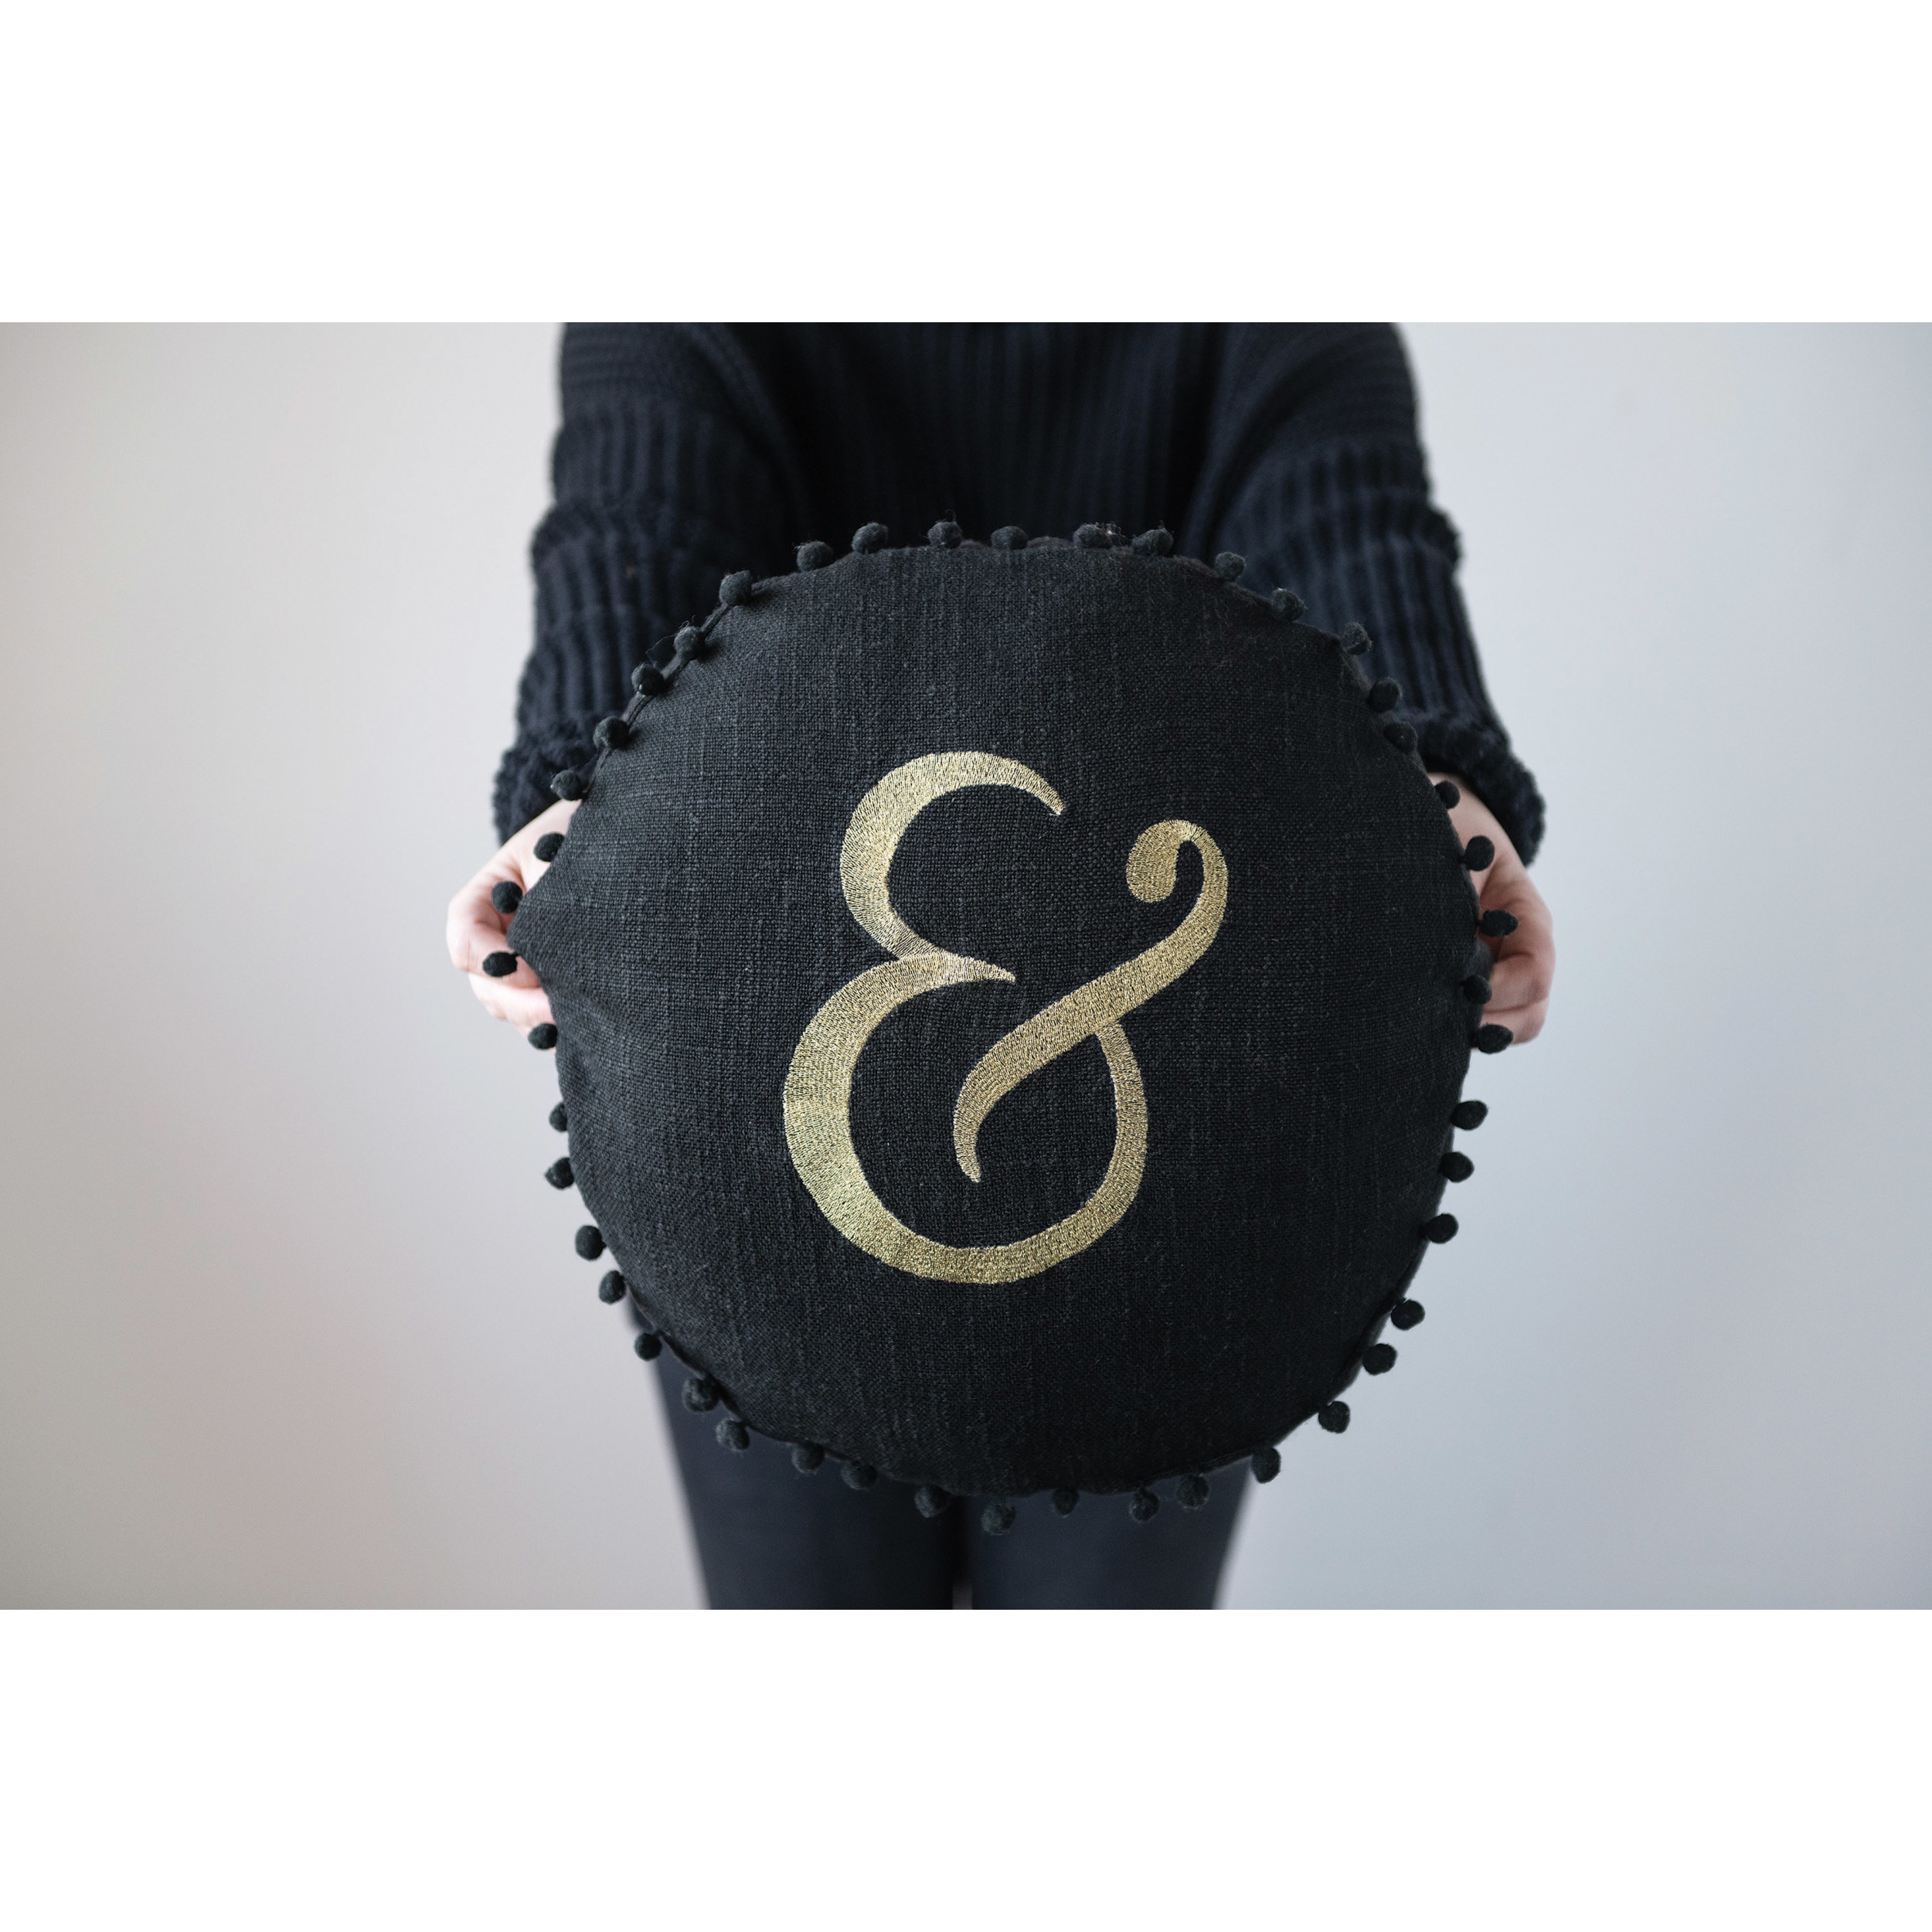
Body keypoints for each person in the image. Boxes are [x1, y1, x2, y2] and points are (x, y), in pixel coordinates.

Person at [446, 325, 1554, 1608]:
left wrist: (1446, 799)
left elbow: (1351, 525)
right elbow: (638, 525)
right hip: (753, 1132)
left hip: (1182, 1121)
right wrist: (573, 802)